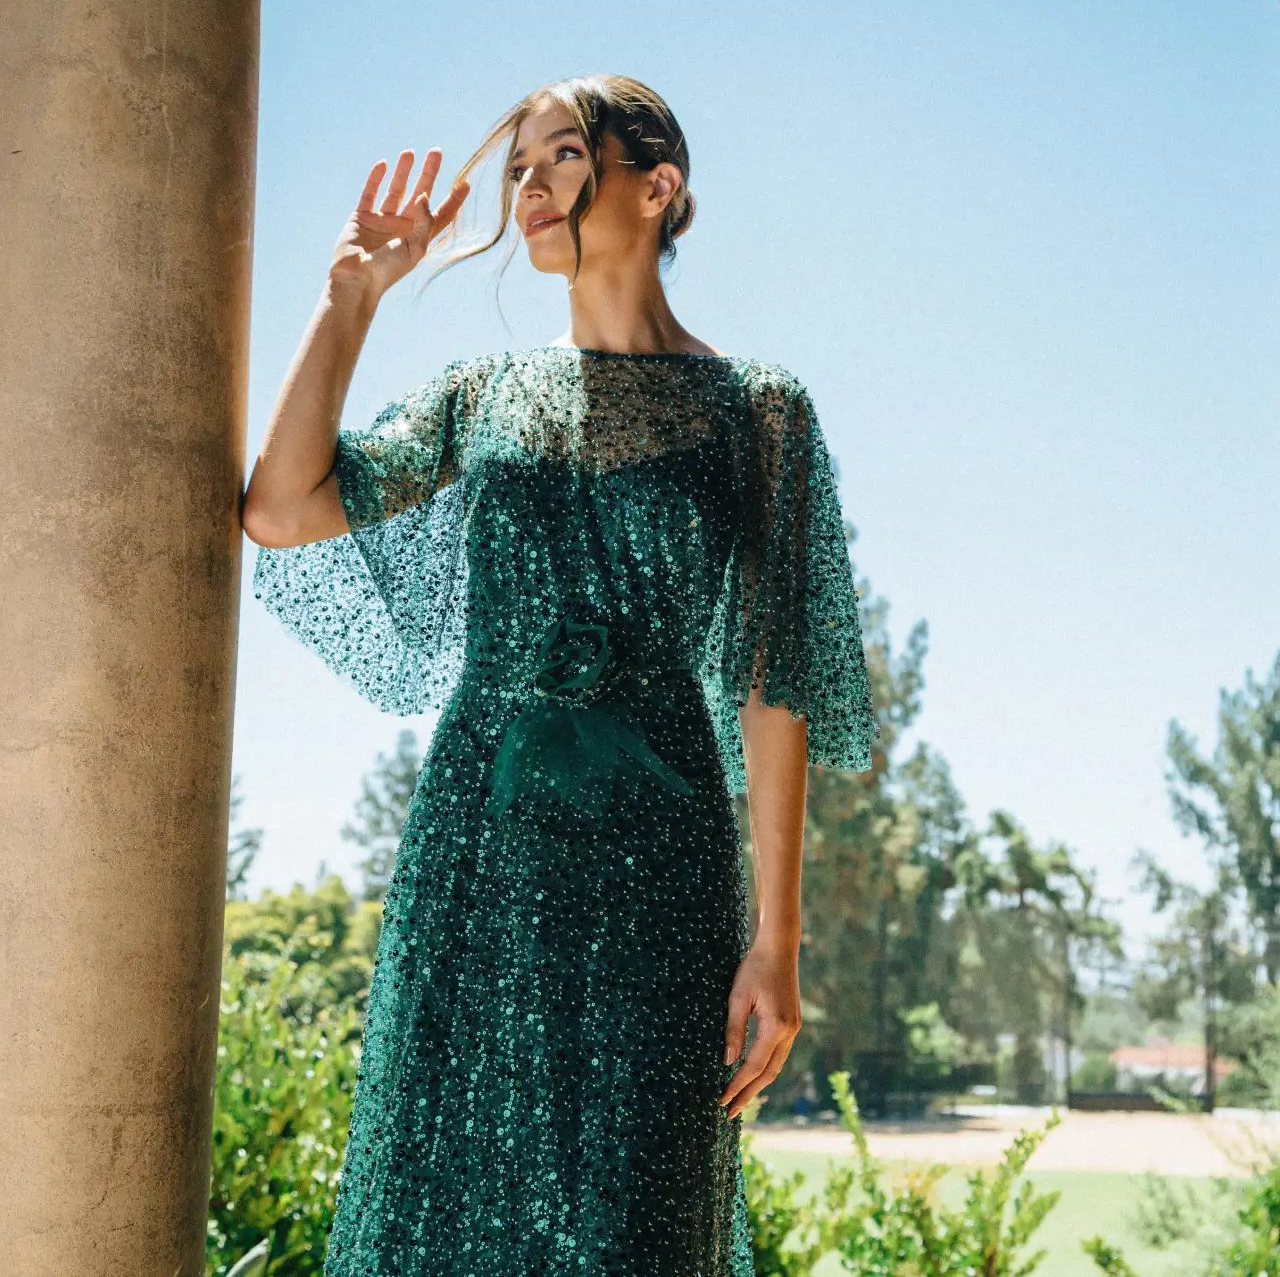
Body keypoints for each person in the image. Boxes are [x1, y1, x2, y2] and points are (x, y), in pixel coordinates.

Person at [240, 73, 877, 1276]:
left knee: (645, 1218)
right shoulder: (481, 397)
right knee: (451, 1205)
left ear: (656, 185)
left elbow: (774, 685)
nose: (527, 187)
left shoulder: (760, 412)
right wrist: (352, 297)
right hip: (480, 846)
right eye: (516, 169)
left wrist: (775, 944)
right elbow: (280, 508)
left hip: (667, 862)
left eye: (560, 157)